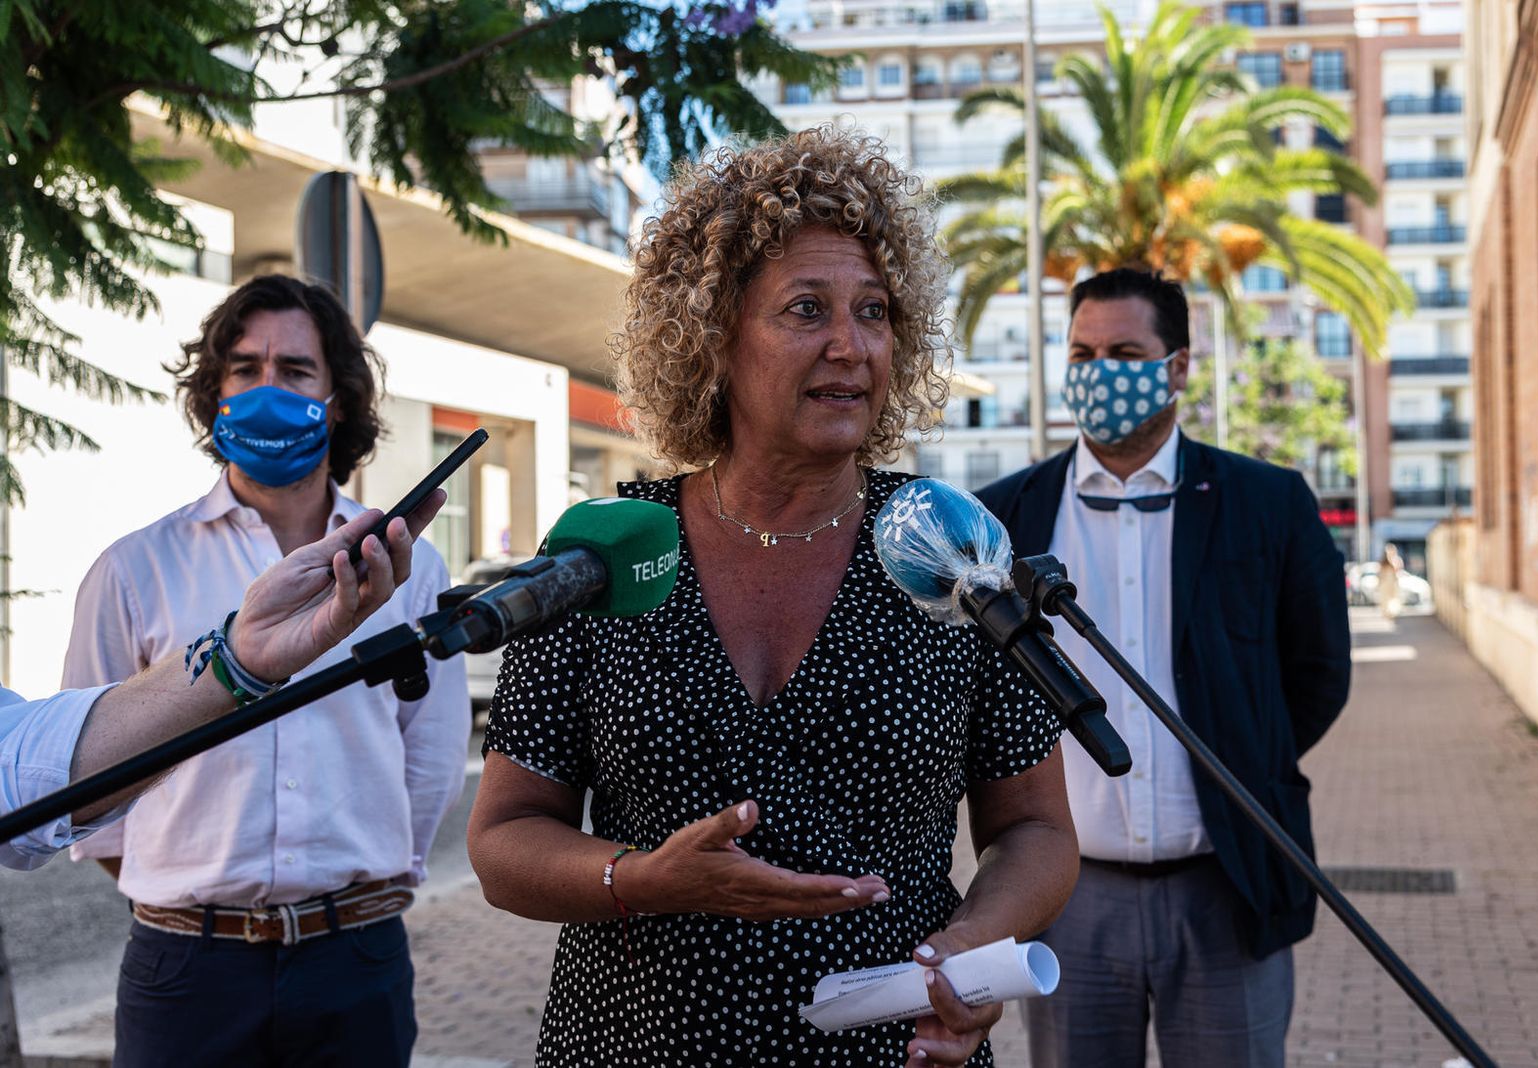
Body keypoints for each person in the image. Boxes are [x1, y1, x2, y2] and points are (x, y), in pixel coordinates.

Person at [467, 127, 1079, 1068]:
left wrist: (968, 951)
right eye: (806, 309)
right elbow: (504, 838)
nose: (851, 345)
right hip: (635, 1045)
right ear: (713, 338)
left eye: (874, 312)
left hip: (891, 1047)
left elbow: (1035, 827)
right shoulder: (608, 552)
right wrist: (645, 879)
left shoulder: (949, 549)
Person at [61, 275, 471, 1067]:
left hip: (357, 960)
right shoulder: (133, 569)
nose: (267, 389)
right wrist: (190, 888)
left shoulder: (407, 568)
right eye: (245, 369)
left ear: (337, 400)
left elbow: (431, 757)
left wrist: (370, 885)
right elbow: (88, 779)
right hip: (185, 971)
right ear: (214, 393)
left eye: (295, 370)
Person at [976, 268, 1351, 1067]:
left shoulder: (1268, 503)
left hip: (1228, 885)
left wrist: (1247, 752)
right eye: (1082, 354)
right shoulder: (1005, 515)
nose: (1099, 373)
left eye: (1123, 353)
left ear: (1177, 367)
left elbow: (1319, 672)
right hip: (1067, 897)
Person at [0, 497, 440, 870]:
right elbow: (44, 791)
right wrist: (163, 897)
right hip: (183, 928)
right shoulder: (132, 561)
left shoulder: (412, 559)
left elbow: (432, 753)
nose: (270, 413)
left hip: (364, 922)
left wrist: (237, 659)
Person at [1376, 542, 1406, 619]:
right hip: (1385, 582)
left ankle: (1393, 612)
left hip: (1393, 582)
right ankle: (1387, 612)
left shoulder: (1397, 560)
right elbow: (1380, 573)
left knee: (1394, 598)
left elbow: (1398, 570)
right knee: (1385, 598)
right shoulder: (1383, 562)